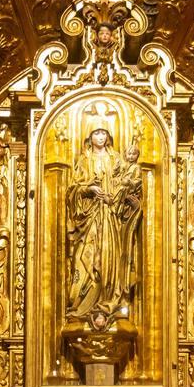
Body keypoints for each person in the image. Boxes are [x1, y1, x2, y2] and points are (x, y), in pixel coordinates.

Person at [66, 127, 136, 320]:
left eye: (104, 133)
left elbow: (129, 182)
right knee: (85, 257)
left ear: (109, 137)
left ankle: (109, 301)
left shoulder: (117, 160)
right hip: (90, 217)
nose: (101, 137)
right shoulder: (84, 160)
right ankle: (83, 304)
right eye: (96, 133)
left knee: (109, 257)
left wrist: (120, 192)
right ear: (89, 136)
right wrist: (90, 188)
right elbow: (72, 190)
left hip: (111, 215)